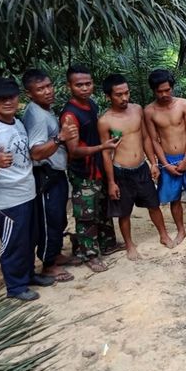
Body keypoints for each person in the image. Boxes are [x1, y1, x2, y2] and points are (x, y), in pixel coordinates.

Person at [0, 78, 54, 300]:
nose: (7, 102)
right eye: (1, 98)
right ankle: (15, 287)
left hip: (27, 192)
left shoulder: (16, 122)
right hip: (6, 200)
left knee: (29, 238)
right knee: (14, 243)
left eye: (11, 97)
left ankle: (28, 275)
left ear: (18, 98)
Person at [98, 74, 176, 260]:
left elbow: (146, 138)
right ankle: (129, 245)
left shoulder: (137, 110)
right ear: (108, 96)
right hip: (121, 171)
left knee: (153, 205)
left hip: (141, 168)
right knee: (124, 212)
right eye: (119, 95)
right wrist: (111, 182)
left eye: (126, 93)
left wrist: (153, 163)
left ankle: (163, 235)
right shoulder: (105, 121)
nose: (124, 98)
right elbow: (105, 153)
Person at [61, 65, 121, 272]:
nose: (85, 88)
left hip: (98, 167)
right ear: (70, 86)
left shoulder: (91, 105)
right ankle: (89, 254)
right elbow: (74, 150)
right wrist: (103, 147)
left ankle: (107, 243)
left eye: (88, 83)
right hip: (83, 172)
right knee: (86, 214)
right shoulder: (70, 114)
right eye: (79, 85)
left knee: (102, 207)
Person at [21, 69, 79, 283]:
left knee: (59, 217)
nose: (47, 91)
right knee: (50, 219)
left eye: (48, 86)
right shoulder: (36, 115)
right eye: (40, 89)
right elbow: (35, 152)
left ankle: (54, 254)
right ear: (30, 93)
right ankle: (48, 264)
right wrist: (60, 138)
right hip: (44, 174)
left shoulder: (45, 110)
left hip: (55, 173)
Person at [144, 69, 186, 241]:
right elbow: (154, 140)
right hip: (168, 161)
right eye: (160, 91)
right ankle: (181, 230)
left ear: (172, 87)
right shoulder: (149, 111)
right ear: (153, 90)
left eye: (167, 90)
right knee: (174, 199)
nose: (164, 94)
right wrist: (164, 164)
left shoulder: (183, 105)